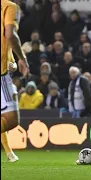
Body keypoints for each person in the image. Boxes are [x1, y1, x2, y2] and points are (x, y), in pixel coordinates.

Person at [1, 0, 29, 162]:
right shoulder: (10, 7)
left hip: (5, 70)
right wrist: (23, 59)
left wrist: (12, 64)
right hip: (1, 73)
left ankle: (9, 152)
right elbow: (10, 35)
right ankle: (9, 152)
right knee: (11, 119)